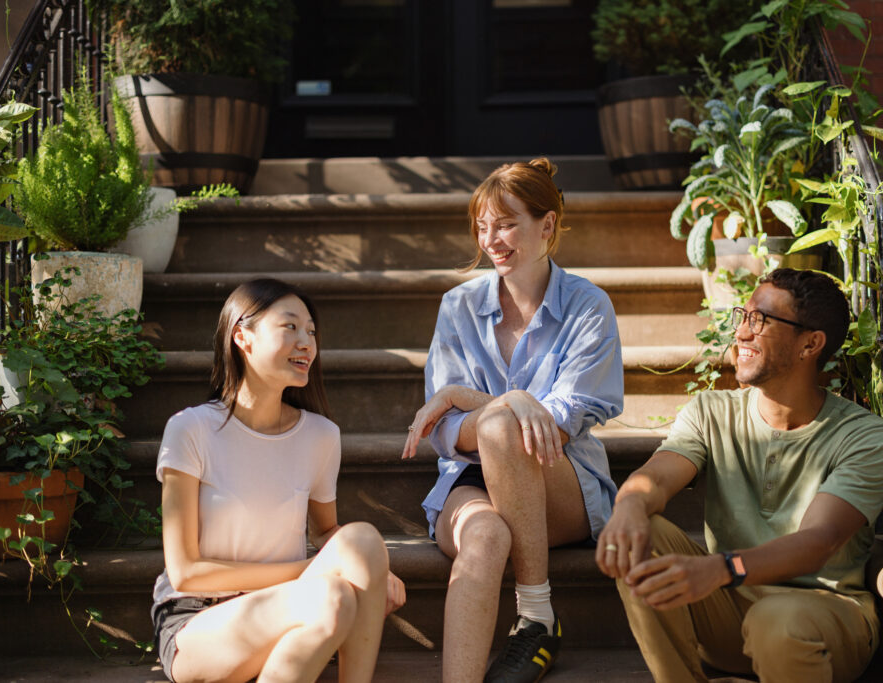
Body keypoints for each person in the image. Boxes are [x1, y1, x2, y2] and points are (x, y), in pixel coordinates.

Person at [597, 268, 883, 683]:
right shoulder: (710, 413)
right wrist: (629, 506)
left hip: (822, 618)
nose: (741, 333)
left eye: (760, 321)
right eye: (743, 317)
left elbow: (818, 542)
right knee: (642, 531)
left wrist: (721, 568)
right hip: (726, 615)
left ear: (810, 344)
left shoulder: (868, 437)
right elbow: (657, 477)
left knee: (776, 620)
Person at [401, 158, 624, 683]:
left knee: (503, 429)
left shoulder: (588, 307)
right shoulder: (458, 306)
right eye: (483, 226)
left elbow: (558, 426)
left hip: (559, 479)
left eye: (506, 224)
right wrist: (509, 402)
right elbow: (447, 435)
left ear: (546, 226)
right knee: (483, 539)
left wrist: (470, 398)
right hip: (469, 478)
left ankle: (537, 615)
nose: (491, 240)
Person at [151, 278, 406, 683]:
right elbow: (185, 573)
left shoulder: (321, 436)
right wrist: (310, 570)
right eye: (290, 327)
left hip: (292, 603)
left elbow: (327, 531)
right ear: (242, 336)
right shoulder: (191, 429)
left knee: (363, 540)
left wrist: (371, 568)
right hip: (199, 620)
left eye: (311, 331)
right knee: (331, 591)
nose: (307, 342)